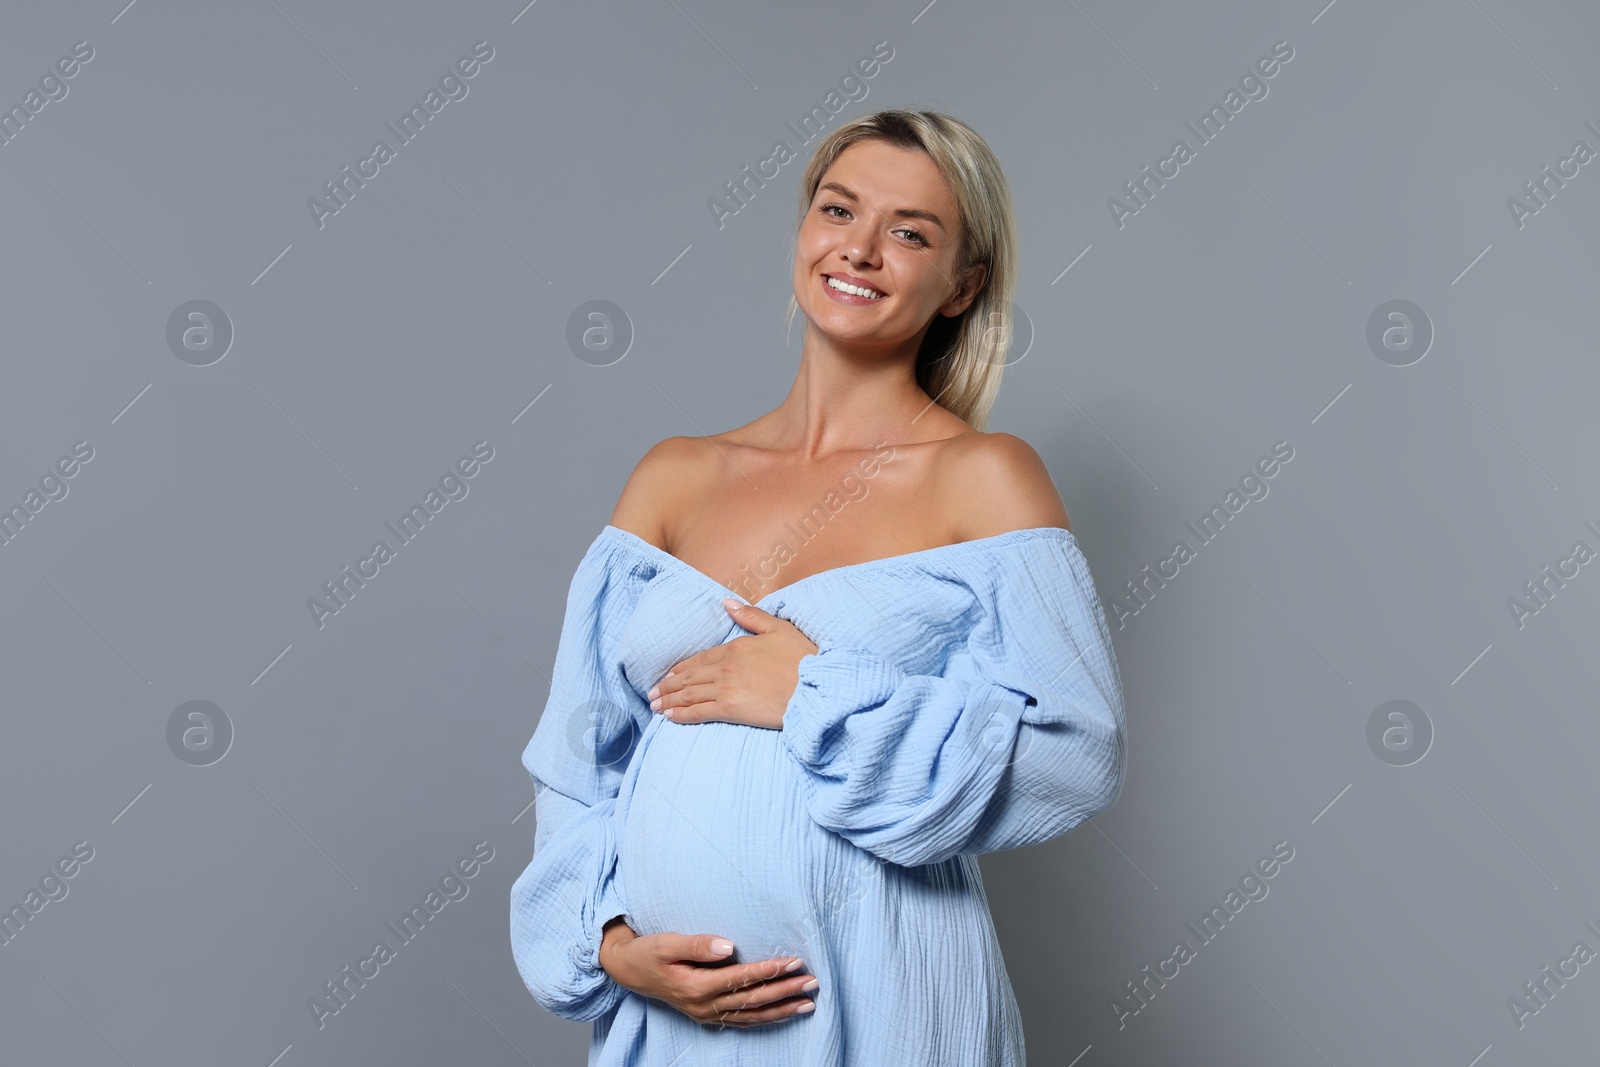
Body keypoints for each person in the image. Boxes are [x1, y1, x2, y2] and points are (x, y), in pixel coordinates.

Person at [511, 109, 1128, 1065]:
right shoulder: (674, 476)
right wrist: (610, 946)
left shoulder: (985, 479)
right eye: (840, 209)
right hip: (670, 1027)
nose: (862, 248)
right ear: (804, 230)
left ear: (963, 286)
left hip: (889, 999)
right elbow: (576, 761)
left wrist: (816, 692)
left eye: (910, 231)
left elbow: (1075, 757)